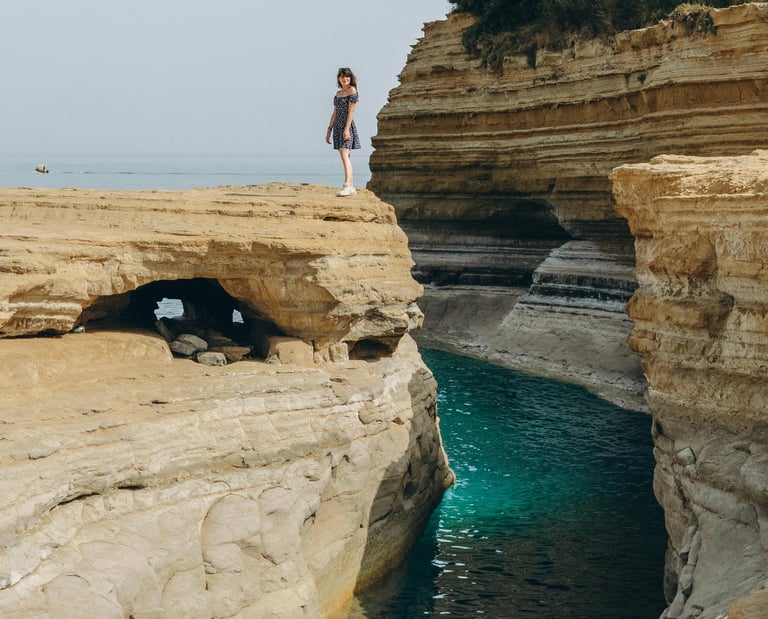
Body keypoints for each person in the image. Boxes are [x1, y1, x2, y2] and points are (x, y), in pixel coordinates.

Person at [326, 67, 361, 196]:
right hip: (337, 127)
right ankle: (351, 186)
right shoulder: (338, 94)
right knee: (345, 155)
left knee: (345, 155)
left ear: (350, 78)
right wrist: (329, 130)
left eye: (347, 76)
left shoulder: (352, 91)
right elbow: (334, 113)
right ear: (338, 79)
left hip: (347, 127)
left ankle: (347, 185)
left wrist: (346, 129)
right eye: (342, 77)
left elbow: (351, 112)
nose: (345, 79)